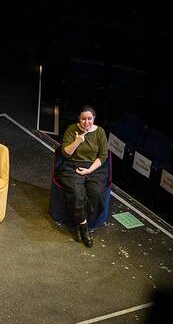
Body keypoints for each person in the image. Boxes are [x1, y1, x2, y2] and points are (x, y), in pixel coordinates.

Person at [57, 106, 109, 248]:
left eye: (89, 119)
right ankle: (83, 226)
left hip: (93, 168)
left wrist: (89, 170)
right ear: (79, 119)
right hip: (72, 165)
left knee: (96, 193)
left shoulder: (100, 132)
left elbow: (103, 155)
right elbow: (65, 153)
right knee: (76, 193)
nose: (86, 122)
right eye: (83, 119)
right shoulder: (71, 129)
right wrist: (78, 141)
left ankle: (81, 222)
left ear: (94, 118)